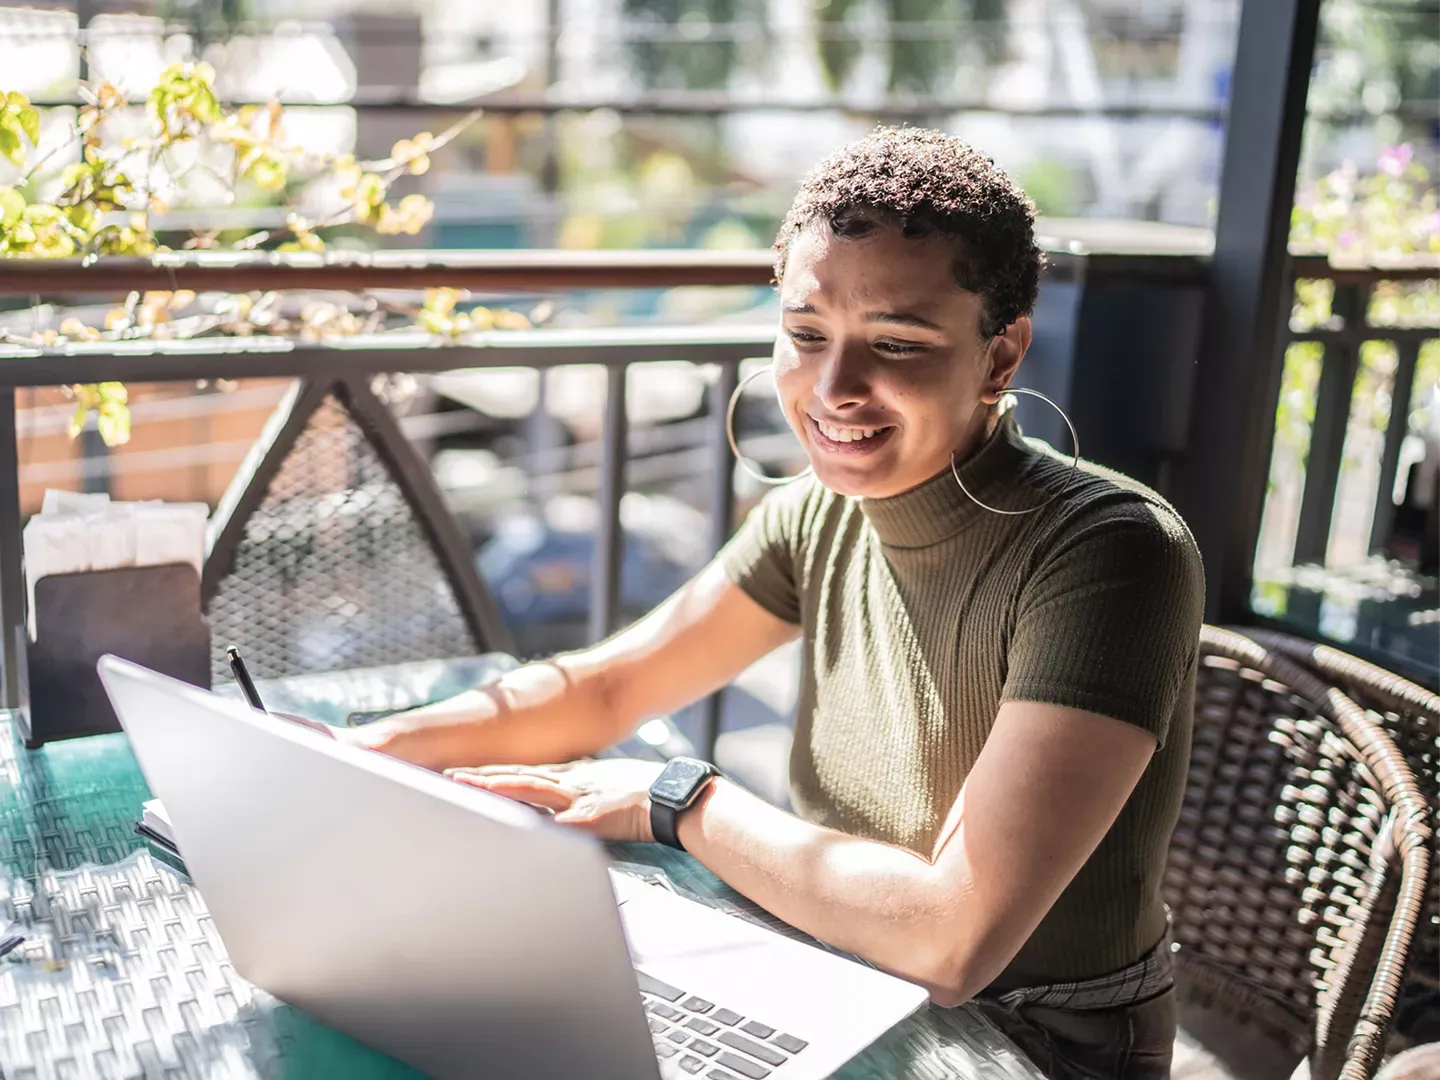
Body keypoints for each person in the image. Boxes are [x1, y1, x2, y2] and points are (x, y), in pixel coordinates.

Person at [341, 128, 1204, 1080]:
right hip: (837, 970)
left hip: (1034, 1039)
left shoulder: (1111, 551)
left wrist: (677, 802)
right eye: (804, 335)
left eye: (897, 343)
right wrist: (353, 755)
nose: (833, 388)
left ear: (1000, 357)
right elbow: (609, 687)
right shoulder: (819, 512)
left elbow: (952, 938)